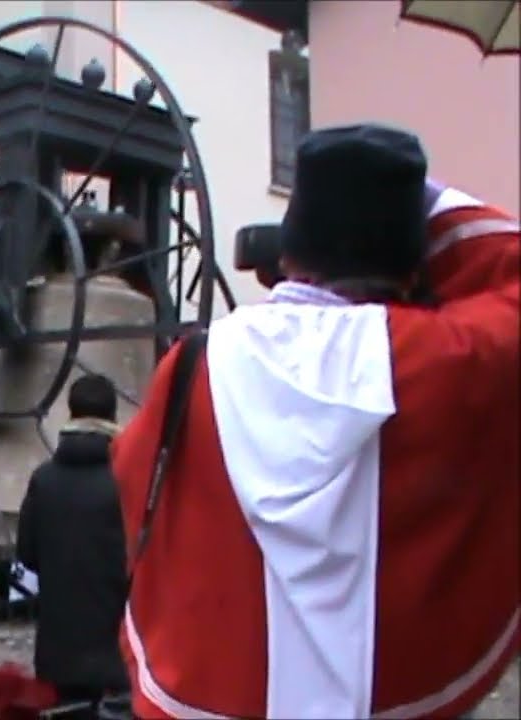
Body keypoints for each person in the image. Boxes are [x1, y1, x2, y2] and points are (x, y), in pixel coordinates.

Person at [110, 124, 519, 718]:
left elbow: (133, 478)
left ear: (287, 250)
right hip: (386, 697)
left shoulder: (199, 361)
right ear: (411, 266)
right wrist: (431, 209)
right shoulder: (447, 357)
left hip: (213, 691)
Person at [16, 374, 131, 719]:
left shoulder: (44, 479)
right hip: (118, 651)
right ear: (113, 415)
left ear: (70, 412)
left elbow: (26, 554)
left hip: (58, 652)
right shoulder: (127, 479)